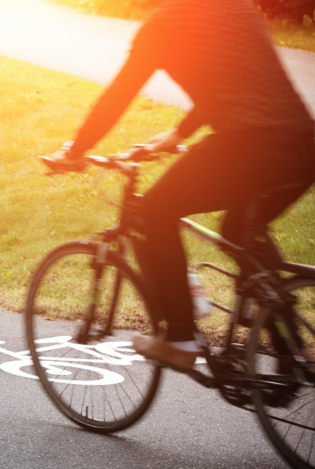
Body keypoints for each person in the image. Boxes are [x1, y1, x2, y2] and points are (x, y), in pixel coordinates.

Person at [44, 0, 315, 370]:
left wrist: (74, 151)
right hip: (304, 146)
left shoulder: (164, 23)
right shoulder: (237, 9)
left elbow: (117, 97)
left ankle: (180, 339)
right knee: (241, 229)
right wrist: (178, 133)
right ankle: (292, 352)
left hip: (249, 146)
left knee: (153, 210)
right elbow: (241, 81)